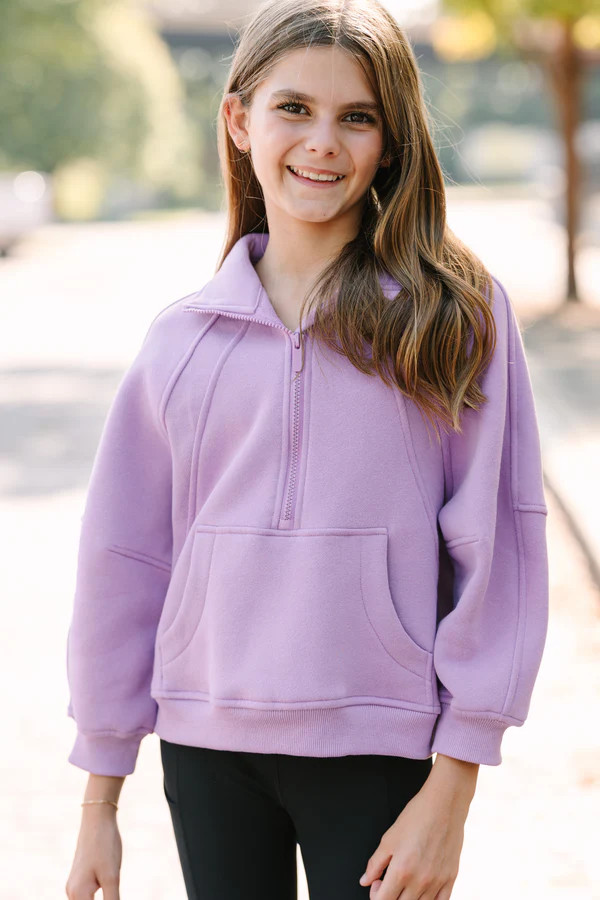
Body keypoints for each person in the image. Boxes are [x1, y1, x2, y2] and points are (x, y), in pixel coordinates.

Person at [64, 0, 550, 898]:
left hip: (380, 741)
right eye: (294, 108)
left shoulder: (450, 317)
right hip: (206, 746)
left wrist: (455, 782)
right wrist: (101, 793)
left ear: (390, 143)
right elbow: (124, 562)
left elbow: (499, 545)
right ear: (239, 120)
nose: (323, 142)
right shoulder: (182, 341)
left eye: (356, 117)